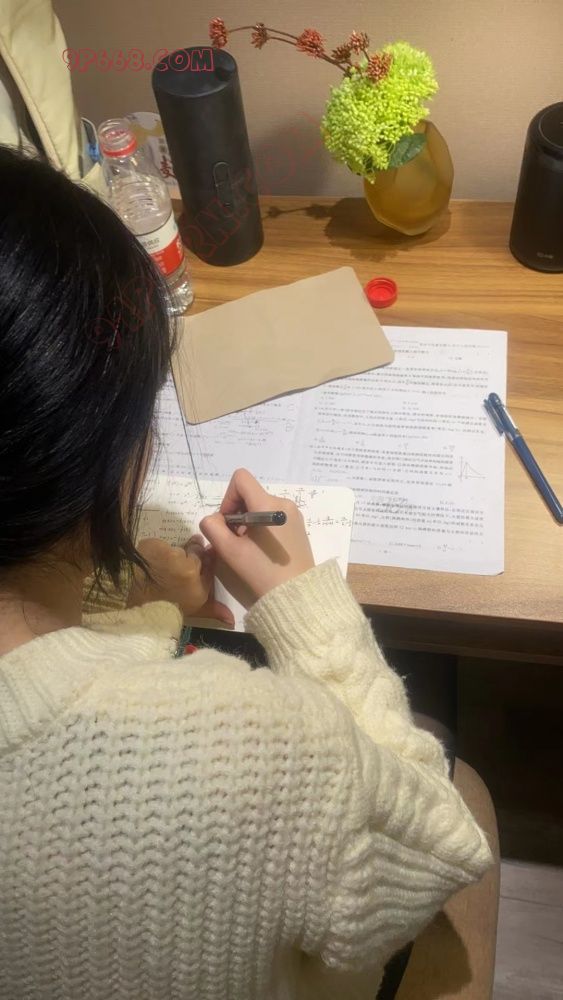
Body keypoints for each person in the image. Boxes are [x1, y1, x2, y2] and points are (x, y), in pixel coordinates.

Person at [0, 145, 492, 1000]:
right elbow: (437, 848)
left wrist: (144, 603)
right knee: (466, 784)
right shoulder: (239, 744)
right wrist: (302, 601)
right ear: (93, 448)